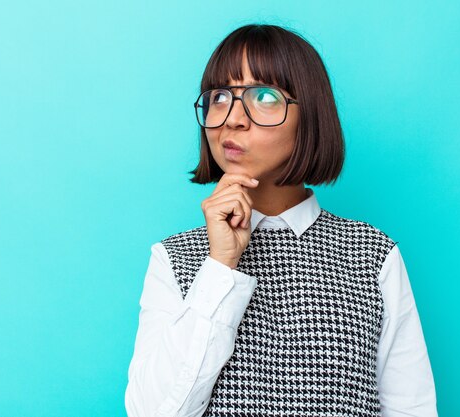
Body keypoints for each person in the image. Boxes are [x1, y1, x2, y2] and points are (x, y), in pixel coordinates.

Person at [125, 23, 438, 417]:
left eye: (264, 96)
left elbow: (412, 408)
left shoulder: (373, 255)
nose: (232, 119)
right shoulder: (174, 258)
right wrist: (220, 266)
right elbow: (151, 412)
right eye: (219, 96)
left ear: (310, 115)